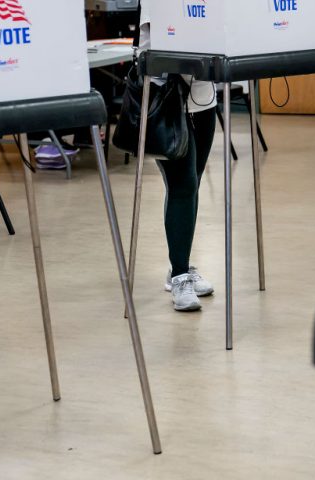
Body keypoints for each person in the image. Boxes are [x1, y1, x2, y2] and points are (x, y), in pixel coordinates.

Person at [137, 0, 217, 312]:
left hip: (202, 101)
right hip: (166, 101)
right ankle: (181, 276)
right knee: (182, 185)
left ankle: (178, 265)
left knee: (191, 185)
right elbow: (157, 47)